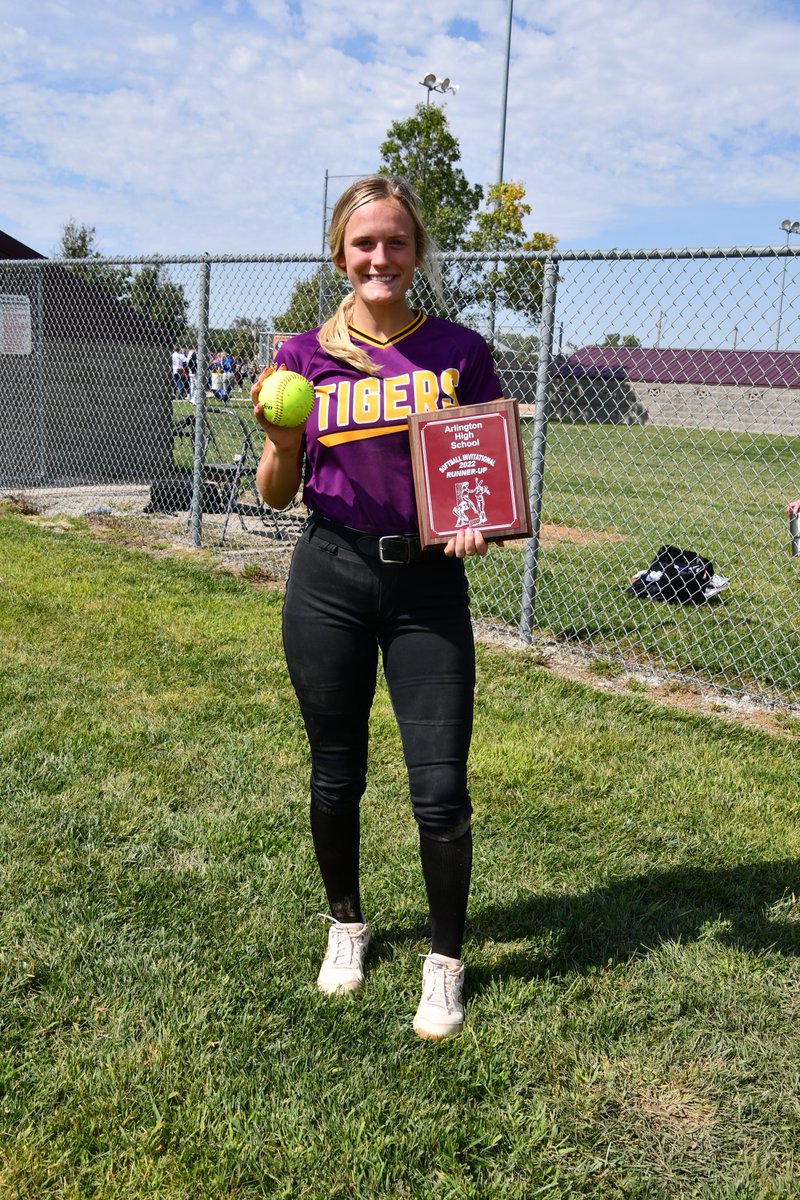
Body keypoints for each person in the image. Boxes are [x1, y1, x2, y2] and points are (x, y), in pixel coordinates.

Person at [251, 174, 504, 1041]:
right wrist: (284, 444)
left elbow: (481, 472)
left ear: (417, 251)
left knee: (440, 787)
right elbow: (279, 494)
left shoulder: (459, 350)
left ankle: (444, 963)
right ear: (340, 253)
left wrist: (474, 522)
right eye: (365, 244)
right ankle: (346, 926)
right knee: (336, 770)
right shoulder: (299, 357)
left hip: (428, 587)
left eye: (396, 241)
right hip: (330, 575)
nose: (381, 257)